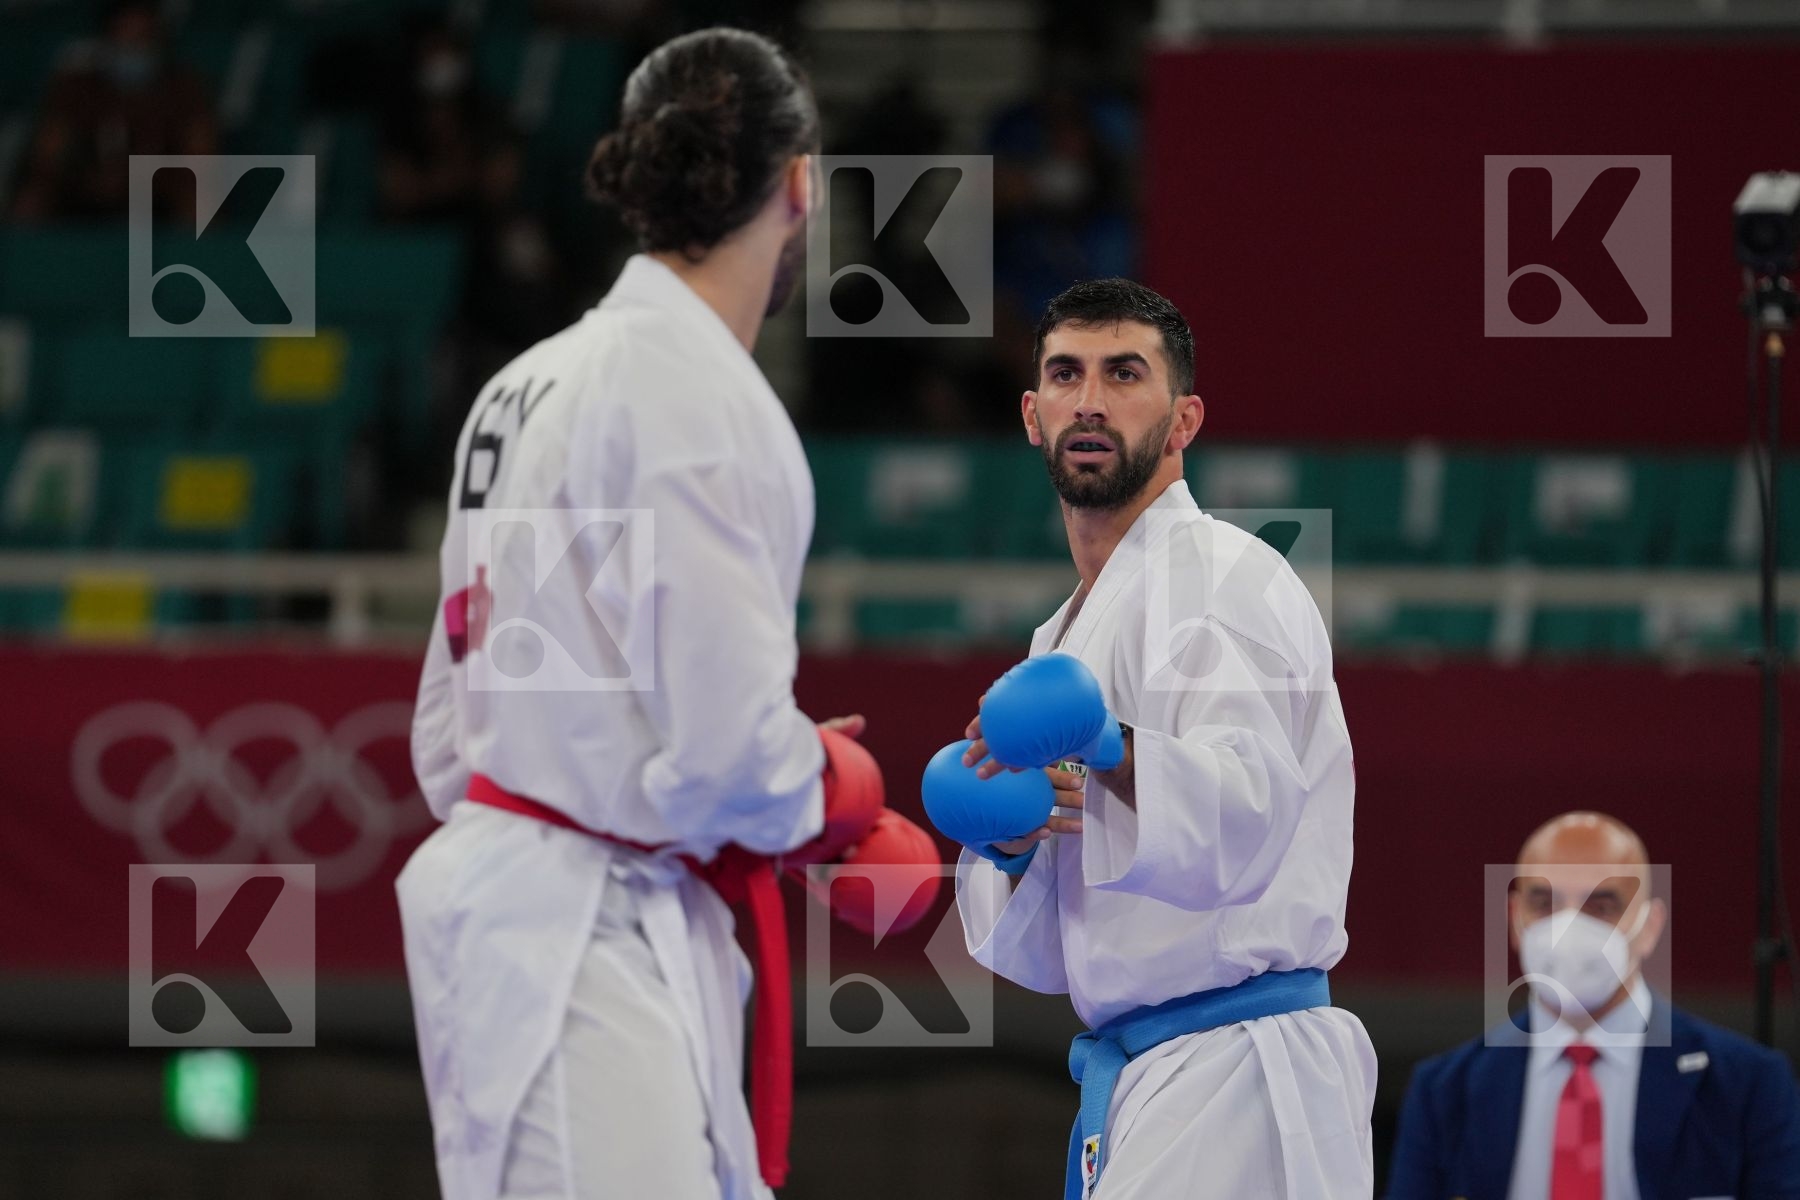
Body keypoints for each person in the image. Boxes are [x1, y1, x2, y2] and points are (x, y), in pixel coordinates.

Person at [396, 28, 937, 1200]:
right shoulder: (698, 401)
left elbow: (446, 740)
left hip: (526, 905)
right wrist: (825, 792)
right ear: (800, 184)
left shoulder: (521, 383)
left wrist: (714, 785)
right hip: (579, 937)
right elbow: (727, 754)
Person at [931, 278, 1376, 1198]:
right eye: (1066, 374)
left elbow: (1248, 814)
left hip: (1242, 1059)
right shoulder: (1058, 635)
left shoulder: (1228, 574)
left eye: (1124, 374)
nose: (1089, 401)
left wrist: (1108, 744)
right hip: (1147, 1068)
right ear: (1031, 413)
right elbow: (1054, 954)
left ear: (1183, 420)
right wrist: (1009, 843)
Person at [1387, 811, 1800, 1200]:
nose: (1568, 928)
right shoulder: (1444, 1092)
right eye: (1544, 904)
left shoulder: (1747, 1087)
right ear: (1515, 919)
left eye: (1601, 906)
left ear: (1649, 926)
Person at [10, 0, 217, 222]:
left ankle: (199, 257)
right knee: (33, 196)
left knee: (200, 200)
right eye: (125, 36)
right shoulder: (76, 87)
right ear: (107, 39)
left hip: (159, 191)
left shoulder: (184, 88)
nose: (133, 47)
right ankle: (25, 255)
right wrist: (89, 176)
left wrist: (145, 177)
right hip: (84, 187)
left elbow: (200, 155)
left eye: (142, 38)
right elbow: (48, 153)